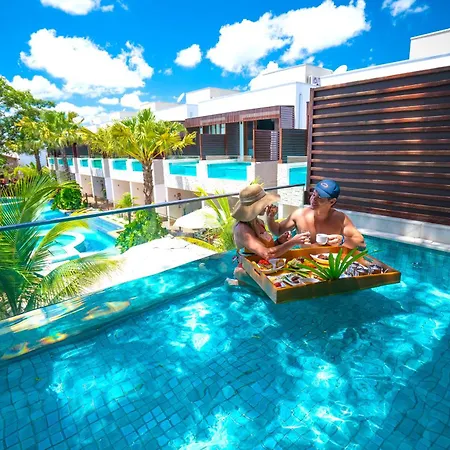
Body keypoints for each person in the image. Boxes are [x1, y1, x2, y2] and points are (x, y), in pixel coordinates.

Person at [227, 184, 309, 287]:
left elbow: (265, 249)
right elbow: (267, 254)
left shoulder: (259, 222)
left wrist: (279, 242)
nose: (267, 205)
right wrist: (293, 242)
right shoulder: (242, 229)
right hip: (247, 272)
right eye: (263, 203)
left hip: (263, 268)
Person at [267, 179, 366, 249]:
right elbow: (278, 231)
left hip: (327, 265)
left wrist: (343, 240)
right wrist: (270, 217)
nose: (313, 199)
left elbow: (361, 243)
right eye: (314, 194)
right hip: (303, 262)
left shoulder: (340, 218)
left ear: (332, 201)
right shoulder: (300, 215)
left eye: (320, 198)